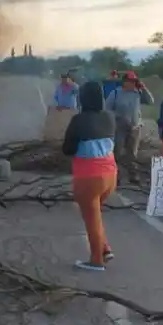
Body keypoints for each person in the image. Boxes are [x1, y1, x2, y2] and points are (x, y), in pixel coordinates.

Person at [62, 81, 116, 272]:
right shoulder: (109, 117)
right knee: (95, 215)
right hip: (110, 174)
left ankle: (96, 261)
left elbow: (67, 149)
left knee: (91, 218)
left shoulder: (79, 120)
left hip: (89, 177)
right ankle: (105, 249)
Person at [105, 71, 153, 183]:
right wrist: (118, 117)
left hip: (135, 127)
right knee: (117, 151)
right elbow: (107, 109)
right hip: (120, 127)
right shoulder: (115, 93)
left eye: (134, 81)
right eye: (131, 81)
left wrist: (144, 88)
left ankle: (133, 175)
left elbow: (151, 101)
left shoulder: (138, 93)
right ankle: (115, 176)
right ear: (124, 82)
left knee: (132, 153)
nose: (133, 83)